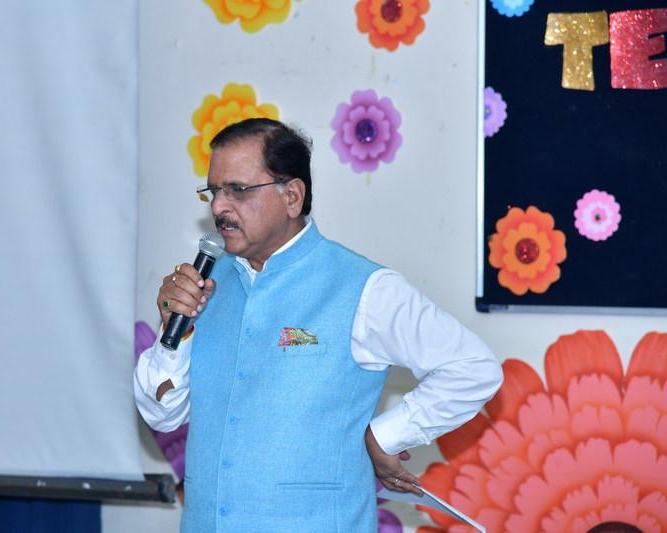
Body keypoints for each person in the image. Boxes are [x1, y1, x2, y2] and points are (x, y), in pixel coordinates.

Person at [135, 118, 503, 532]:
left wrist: (385, 435)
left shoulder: (363, 288)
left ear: (292, 196)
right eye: (214, 191)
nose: (219, 206)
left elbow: (473, 368)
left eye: (237, 189)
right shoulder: (205, 285)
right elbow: (161, 416)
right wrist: (175, 330)